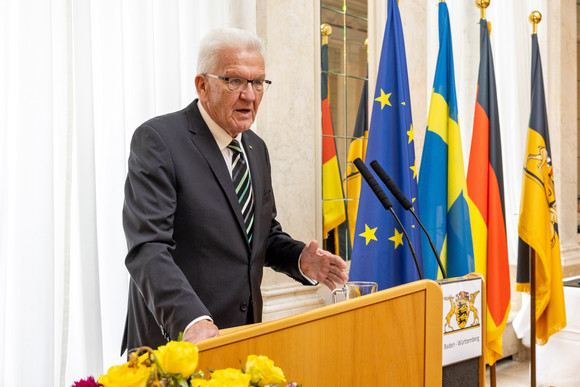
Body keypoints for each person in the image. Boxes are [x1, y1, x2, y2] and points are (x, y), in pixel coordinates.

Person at [121, 27, 348, 355]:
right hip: (177, 344)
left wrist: (300, 260)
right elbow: (147, 248)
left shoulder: (256, 148)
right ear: (203, 85)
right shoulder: (159, 140)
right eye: (235, 80)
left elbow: (261, 237)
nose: (250, 95)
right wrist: (191, 320)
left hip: (241, 341)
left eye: (258, 82)